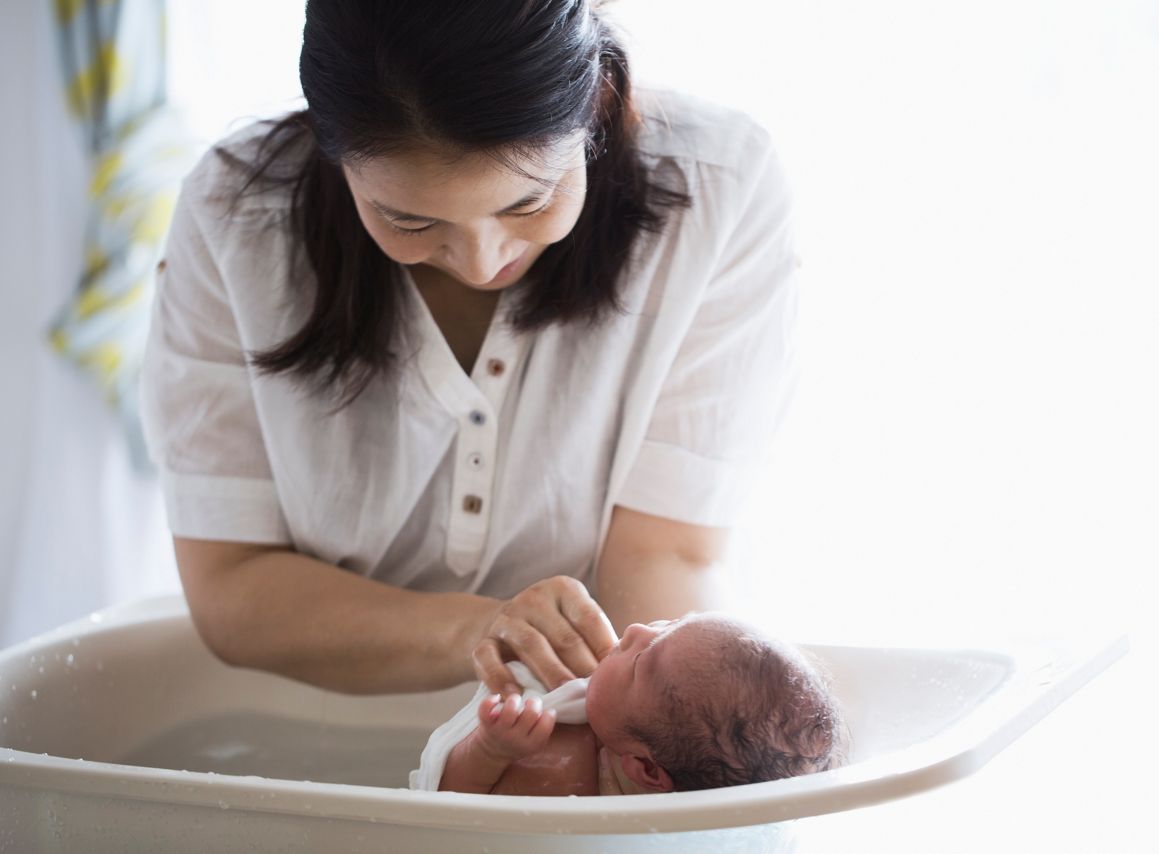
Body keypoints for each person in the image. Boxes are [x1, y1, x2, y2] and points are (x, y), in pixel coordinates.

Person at [140, 0, 800, 699]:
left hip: (589, 716)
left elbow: (667, 556)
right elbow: (230, 585)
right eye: (409, 218)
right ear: (334, 156)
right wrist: (479, 631)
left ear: (596, 98)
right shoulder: (235, 214)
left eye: (529, 202)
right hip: (306, 725)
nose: (483, 260)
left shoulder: (720, 191)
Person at [417, 613, 848, 795]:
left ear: (646, 770)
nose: (637, 628)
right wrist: (491, 745)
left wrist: (493, 752)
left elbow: (449, 808)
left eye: (642, 660)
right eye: (670, 623)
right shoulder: (571, 713)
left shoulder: (557, 765)